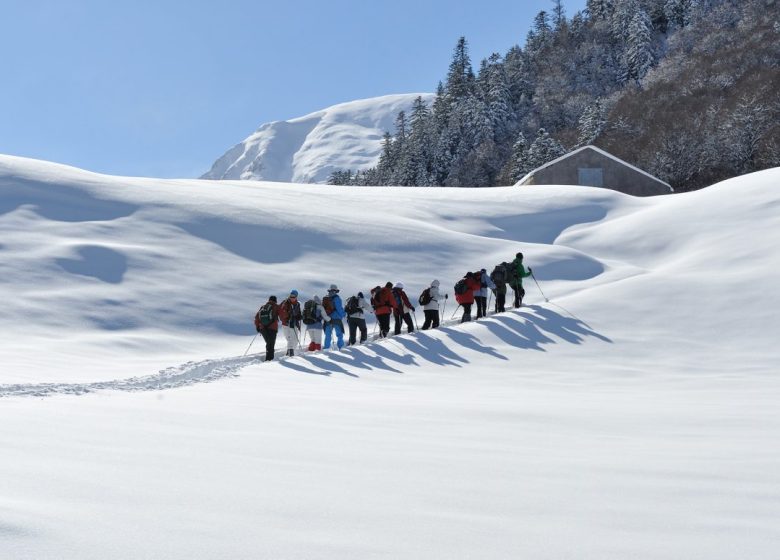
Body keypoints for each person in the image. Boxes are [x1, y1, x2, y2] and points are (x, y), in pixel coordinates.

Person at [254, 295, 279, 361]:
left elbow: (256, 318)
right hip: (273, 328)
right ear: (275, 301)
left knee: (268, 343)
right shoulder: (276, 306)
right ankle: (269, 360)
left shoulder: (263, 307)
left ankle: (269, 359)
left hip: (263, 328)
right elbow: (282, 315)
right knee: (271, 344)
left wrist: (257, 327)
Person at [278, 289, 302, 356]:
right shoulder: (286, 303)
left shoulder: (297, 304)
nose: (292, 298)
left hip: (294, 323)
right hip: (286, 324)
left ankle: (291, 351)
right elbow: (282, 313)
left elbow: (298, 313)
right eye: (291, 296)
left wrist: (299, 316)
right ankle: (290, 353)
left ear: (296, 297)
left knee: (295, 340)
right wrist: (288, 317)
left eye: (293, 296)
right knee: (290, 338)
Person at [323, 284, 346, 350]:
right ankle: (340, 347)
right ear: (336, 291)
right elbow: (339, 308)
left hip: (328, 319)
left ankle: (326, 348)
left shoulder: (326, 298)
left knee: (328, 335)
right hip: (336, 318)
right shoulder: (337, 298)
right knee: (339, 334)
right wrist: (343, 314)